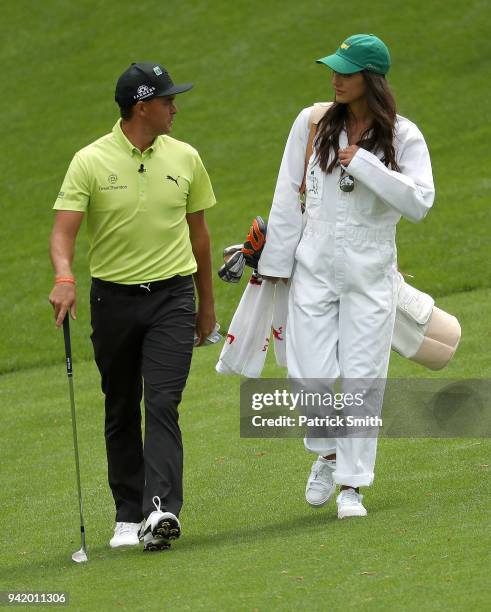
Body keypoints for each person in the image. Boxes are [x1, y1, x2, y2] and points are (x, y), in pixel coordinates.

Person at [258, 34, 435, 518]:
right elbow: (285, 192)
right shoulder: (312, 122)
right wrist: (275, 265)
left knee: (362, 382)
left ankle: (352, 487)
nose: (335, 78)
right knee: (306, 374)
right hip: (313, 268)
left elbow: (420, 202)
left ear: (371, 80)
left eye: (346, 72)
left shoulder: (404, 136)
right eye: (333, 69)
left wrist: (372, 167)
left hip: (370, 272)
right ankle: (330, 451)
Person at [49, 62, 217, 550]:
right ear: (142, 107)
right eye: (168, 101)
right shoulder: (89, 161)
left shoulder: (185, 157)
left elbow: (199, 236)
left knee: (163, 401)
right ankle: (127, 512)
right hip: (113, 300)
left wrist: (206, 305)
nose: (175, 108)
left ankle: (159, 510)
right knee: (121, 405)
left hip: (172, 297)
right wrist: (64, 276)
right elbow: (64, 232)